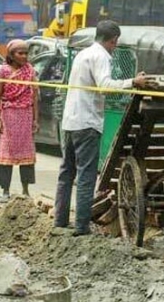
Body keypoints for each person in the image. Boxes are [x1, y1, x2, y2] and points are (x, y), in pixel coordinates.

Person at [54, 20, 147, 236]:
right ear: (113, 40)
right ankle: (81, 227)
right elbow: (105, 86)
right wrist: (133, 81)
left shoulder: (83, 54)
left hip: (70, 121)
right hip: (87, 123)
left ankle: (60, 221)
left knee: (67, 172)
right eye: (115, 43)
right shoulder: (101, 56)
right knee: (86, 175)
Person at [0, 39, 39, 199]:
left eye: (26, 53)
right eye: (20, 53)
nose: (24, 56)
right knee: (7, 154)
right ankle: (5, 190)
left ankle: (25, 190)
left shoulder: (30, 71)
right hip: (8, 116)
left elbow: (34, 97)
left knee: (26, 155)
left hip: (25, 116)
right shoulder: (3, 71)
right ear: (11, 55)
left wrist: (35, 120)